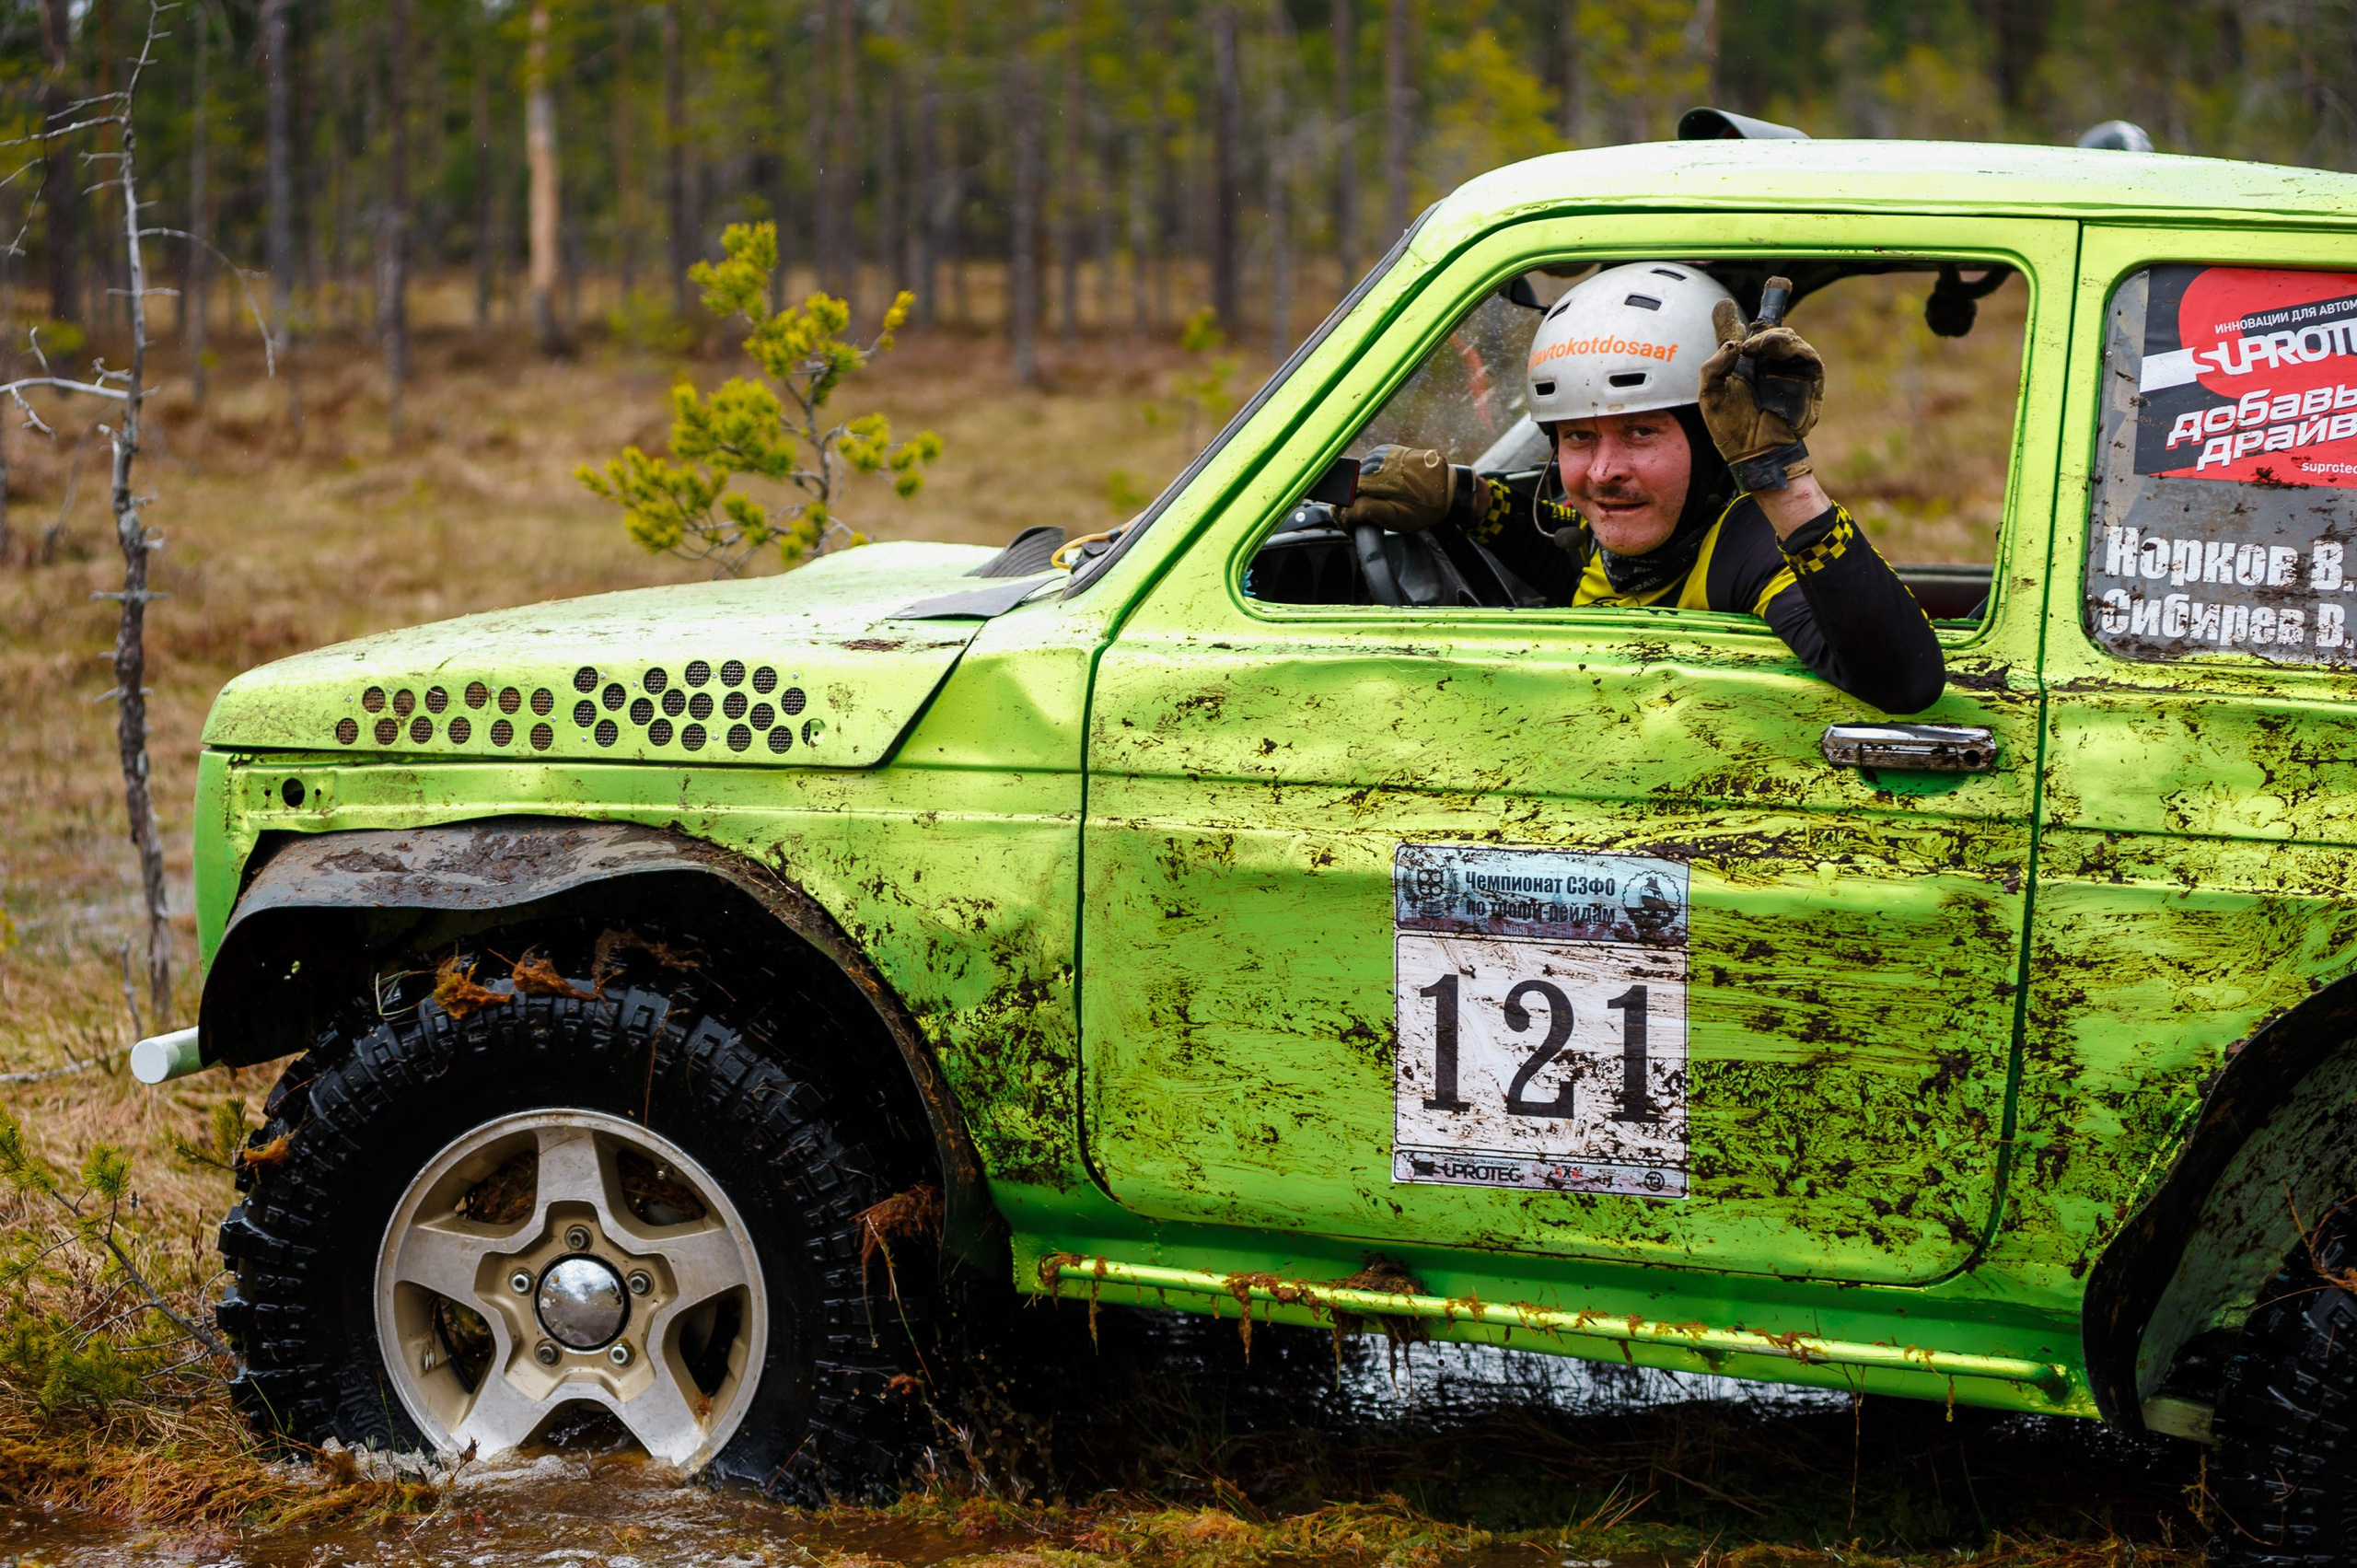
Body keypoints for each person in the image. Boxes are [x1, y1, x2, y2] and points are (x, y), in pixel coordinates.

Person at [1336, 262, 1946, 715]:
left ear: (1711, 441)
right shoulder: (1623, 541)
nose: (1603, 471)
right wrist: (1460, 495)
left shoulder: (1750, 547)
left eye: (1640, 432)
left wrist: (1780, 475)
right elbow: (1563, 561)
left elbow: (1906, 681)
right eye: (1578, 437)